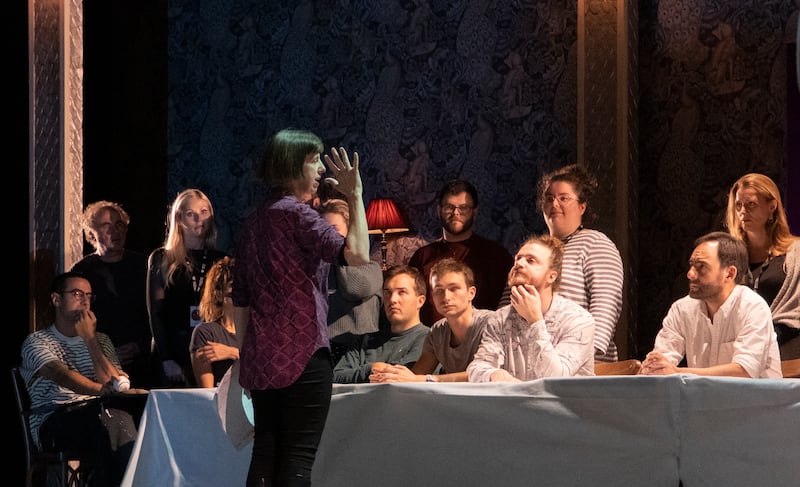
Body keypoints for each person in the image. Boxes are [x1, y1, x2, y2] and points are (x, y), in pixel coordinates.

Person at [232, 129, 371, 486]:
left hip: (262, 357)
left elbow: (241, 300)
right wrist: (354, 195)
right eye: (313, 160)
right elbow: (357, 255)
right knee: (297, 457)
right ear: (293, 166)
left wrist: (246, 358)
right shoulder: (298, 215)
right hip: (302, 353)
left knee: (265, 454)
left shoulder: (254, 222)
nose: (321, 168)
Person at [20, 271, 144, 486]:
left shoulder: (101, 341)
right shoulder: (37, 341)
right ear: (56, 299)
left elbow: (118, 384)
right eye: (77, 294)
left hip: (101, 415)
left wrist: (89, 339)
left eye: (89, 295)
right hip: (55, 420)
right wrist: (101, 390)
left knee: (117, 424)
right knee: (112, 423)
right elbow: (60, 375)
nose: (85, 301)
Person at [639, 232, 782, 378]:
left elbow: (744, 372)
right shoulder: (682, 309)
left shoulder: (753, 307)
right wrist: (655, 367)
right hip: (706, 399)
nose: (690, 274)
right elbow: (661, 363)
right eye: (691, 265)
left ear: (729, 274)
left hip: (756, 400)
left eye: (701, 267)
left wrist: (677, 372)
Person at [467, 235, 596, 382]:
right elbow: (477, 367)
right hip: (516, 403)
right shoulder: (500, 318)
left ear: (551, 276)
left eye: (530, 260)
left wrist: (535, 321)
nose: (519, 263)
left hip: (563, 404)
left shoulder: (578, 320)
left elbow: (556, 380)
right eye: (518, 258)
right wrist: (494, 374)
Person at [537, 164, 624, 363]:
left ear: (582, 206)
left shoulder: (595, 243)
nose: (554, 204)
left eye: (563, 198)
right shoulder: (533, 251)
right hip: (535, 362)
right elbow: (508, 308)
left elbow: (605, 308)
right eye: (549, 198)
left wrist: (577, 358)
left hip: (583, 367)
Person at [71, 200, 158, 389]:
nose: (114, 231)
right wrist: (109, 353)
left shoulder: (145, 266)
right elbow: (75, 321)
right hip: (100, 364)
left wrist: (140, 345)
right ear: (91, 233)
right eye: (105, 226)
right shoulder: (81, 272)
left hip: (145, 360)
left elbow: (158, 312)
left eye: (119, 224)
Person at [147, 188, 228, 387]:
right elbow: (156, 313)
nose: (199, 219)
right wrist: (166, 358)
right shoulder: (162, 258)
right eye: (191, 214)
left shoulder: (221, 259)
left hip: (208, 349)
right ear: (179, 219)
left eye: (204, 212)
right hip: (173, 351)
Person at [408, 179, 513, 325]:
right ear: (439, 211)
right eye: (449, 207)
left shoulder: (496, 256)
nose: (455, 213)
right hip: (430, 339)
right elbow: (410, 303)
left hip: (481, 337)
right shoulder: (422, 256)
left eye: (463, 208)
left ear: (474, 212)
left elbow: (508, 307)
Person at [369, 258, 491, 383]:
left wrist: (428, 379)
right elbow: (415, 376)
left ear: (471, 293)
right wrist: (392, 377)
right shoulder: (438, 331)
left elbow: (486, 374)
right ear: (432, 297)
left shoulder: (491, 323)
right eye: (439, 290)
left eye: (453, 289)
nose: (446, 297)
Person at [724, 173, 800, 360]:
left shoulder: (795, 253)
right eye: (738, 205)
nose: (743, 211)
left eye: (751, 204)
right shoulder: (730, 260)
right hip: (740, 352)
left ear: (772, 206)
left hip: (788, 350)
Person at [334, 265, 430, 383]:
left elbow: (404, 378)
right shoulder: (365, 339)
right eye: (388, 293)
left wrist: (371, 371)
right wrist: (371, 369)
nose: (393, 299)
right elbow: (336, 376)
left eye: (402, 292)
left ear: (420, 301)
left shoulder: (430, 338)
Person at [318, 198, 384, 363]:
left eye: (334, 229)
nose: (329, 236)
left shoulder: (372, 269)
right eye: (324, 230)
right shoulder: (320, 272)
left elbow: (353, 287)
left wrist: (343, 254)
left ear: (352, 231)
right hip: (325, 348)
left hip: (361, 351)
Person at [189, 256, 239, 388]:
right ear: (219, 292)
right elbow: (208, 392)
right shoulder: (205, 333)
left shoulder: (257, 331)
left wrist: (232, 352)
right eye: (234, 286)